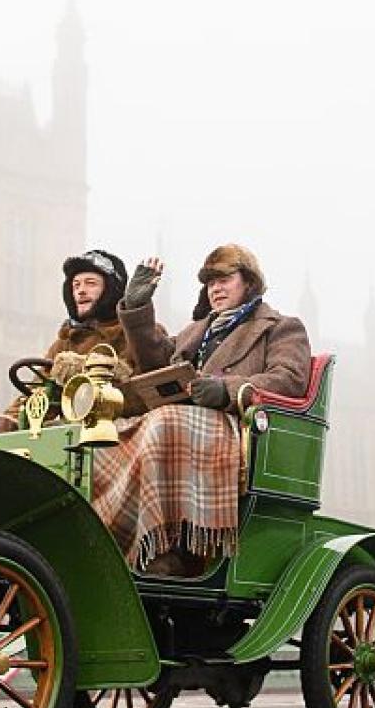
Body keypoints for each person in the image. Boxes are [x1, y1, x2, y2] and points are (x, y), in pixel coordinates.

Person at [93, 243, 312, 577]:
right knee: (108, 439)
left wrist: (227, 389)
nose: (216, 288)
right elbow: (156, 362)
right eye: (210, 282)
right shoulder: (199, 330)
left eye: (225, 279)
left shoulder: (281, 327)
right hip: (184, 426)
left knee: (164, 422)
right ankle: (108, 538)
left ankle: (165, 549)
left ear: (249, 282)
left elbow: (289, 380)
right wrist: (137, 308)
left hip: (238, 431)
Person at [0, 248, 138, 431]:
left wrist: (81, 370)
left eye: (90, 284)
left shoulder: (134, 333)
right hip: (72, 435)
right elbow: (41, 394)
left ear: (110, 290)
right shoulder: (64, 344)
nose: (81, 291)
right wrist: (10, 419)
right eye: (76, 285)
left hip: (121, 430)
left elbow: (141, 391)